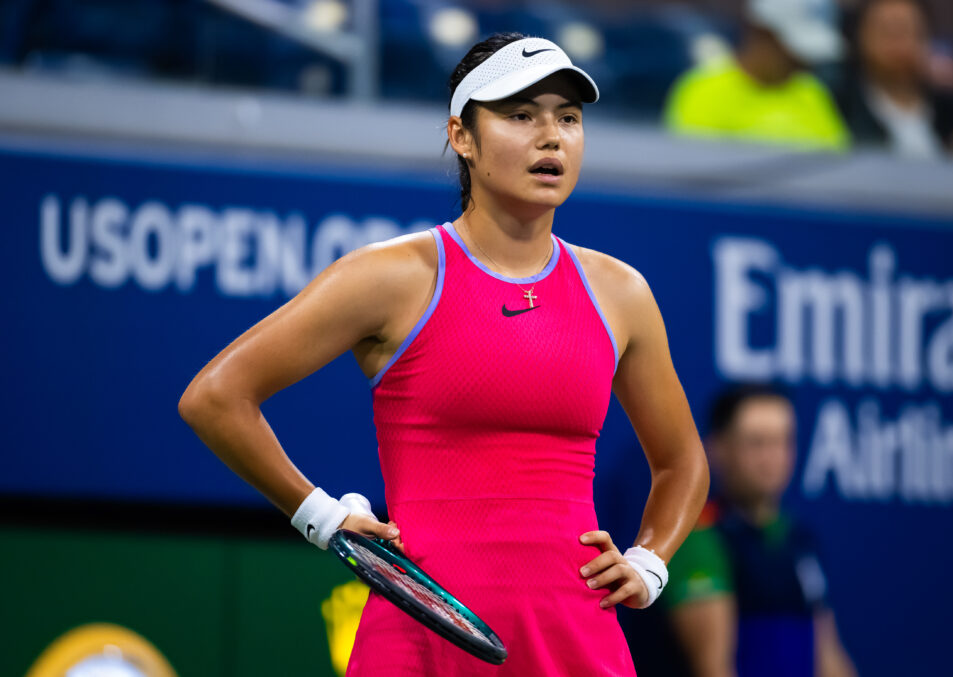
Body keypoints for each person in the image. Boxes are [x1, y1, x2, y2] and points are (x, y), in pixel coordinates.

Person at [178, 32, 710, 676]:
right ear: (462, 135)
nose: (552, 137)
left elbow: (682, 462)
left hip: (575, 633)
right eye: (520, 116)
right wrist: (320, 517)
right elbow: (216, 397)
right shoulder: (391, 275)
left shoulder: (621, 292)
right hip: (422, 635)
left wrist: (649, 563)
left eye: (567, 118)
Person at [661, 384, 857, 677]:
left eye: (783, 441)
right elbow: (713, 667)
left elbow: (828, 655)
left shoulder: (799, 538)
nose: (772, 458)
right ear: (718, 449)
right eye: (756, 443)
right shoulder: (701, 540)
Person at [662, 0, 850, 152]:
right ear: (762, 33)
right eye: (793, 52)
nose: (802, 63)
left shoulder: (812, 92)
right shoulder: (702, 89)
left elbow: (840, 163)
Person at [836, 0, 953, 161]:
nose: (898, 44)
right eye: (887, 32)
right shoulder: (840, 105)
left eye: (908, 31)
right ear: (860, 38)